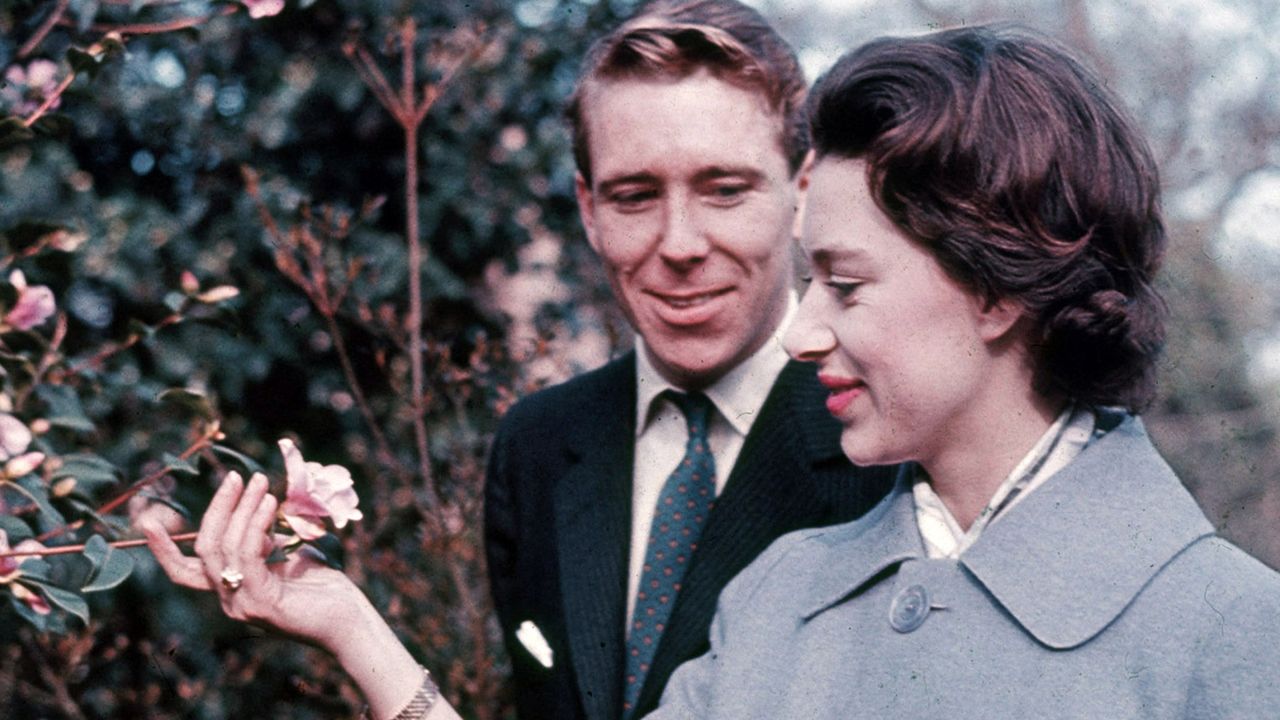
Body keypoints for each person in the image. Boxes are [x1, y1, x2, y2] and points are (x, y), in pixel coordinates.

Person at [143, 22, 1280, 720]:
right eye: (633, 194)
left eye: (843, 282)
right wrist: (347, 623)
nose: (801, 331)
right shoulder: (780, 601)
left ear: (993, 286)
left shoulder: (1229, 637)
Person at [483, 2, 893, 719]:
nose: (680, 244)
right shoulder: (537, 446)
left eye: (724, 190)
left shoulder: (890, 447)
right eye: (635, 197)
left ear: (801, 192)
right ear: (587, 208)